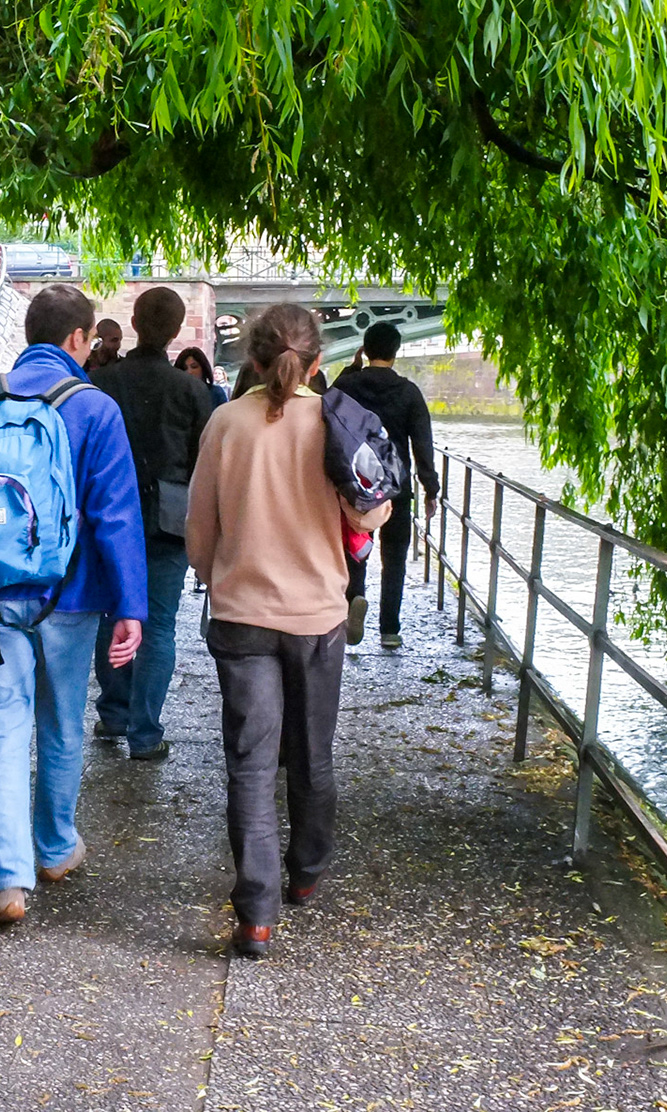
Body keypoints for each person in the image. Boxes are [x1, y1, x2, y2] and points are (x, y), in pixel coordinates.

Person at [0, 283, 146, 926]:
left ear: (30, 334)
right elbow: (116, 516)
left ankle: (8, 879)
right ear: (78, 338)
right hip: (70, 597)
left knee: (1, 726)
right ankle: (55, 848)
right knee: (62, 722)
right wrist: (130, 605)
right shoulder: (94, 408)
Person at [186, 303, 391, 958]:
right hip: (317, 618)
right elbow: (372, 514)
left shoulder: (225, 423)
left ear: (251, 358)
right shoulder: (334, 423)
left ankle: (256, 915)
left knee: (249, 765)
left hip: (242, 616)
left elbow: (199, 530)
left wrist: (218, 574)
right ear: (318, 360)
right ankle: (306, 872)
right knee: (312, 752)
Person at [90, 288, 215, 761]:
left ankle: (113, 714)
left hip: (109, 514)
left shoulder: (103, 382)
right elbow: (202, 464)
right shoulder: (192, 391)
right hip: (169, 520)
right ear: (176, 330)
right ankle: (145, 734)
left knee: (110, 615)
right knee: (159, 626)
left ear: (135, 323)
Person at [331, 321, 440, 650]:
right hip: (395, 485)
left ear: (364, 350)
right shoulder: (409, 392)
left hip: (355, 483)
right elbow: (422, 444)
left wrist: (350, 370)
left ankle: (354, 598)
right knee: (395, 558)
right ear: (396, 352)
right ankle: (389, 628)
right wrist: (431, 489)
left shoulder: (348, 386)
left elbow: (327, 412)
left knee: (355, 548)